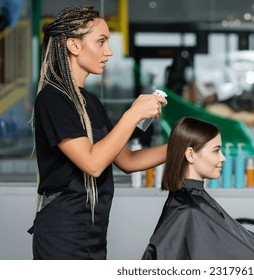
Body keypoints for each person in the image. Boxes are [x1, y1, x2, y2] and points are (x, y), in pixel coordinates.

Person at [29, 5, 168, 260]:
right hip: (62, 234)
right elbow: (92, 163)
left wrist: (182, 145)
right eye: (101, 41)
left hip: (93, 234)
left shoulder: (91, 102)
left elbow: (126, 160)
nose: (109, 51)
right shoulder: (53, 98)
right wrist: (133, 114)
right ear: (74, 45)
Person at [142, 117, 254, 260]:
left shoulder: (186, 203)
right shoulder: (189, 211)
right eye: (216, 151)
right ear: (190, 155)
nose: (223, 157)